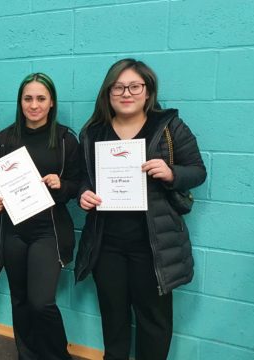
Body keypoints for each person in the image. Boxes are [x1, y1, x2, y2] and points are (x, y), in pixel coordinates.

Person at [74, 58, 207, 360]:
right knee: (114, 318)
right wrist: (84, 193)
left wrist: (172, 173)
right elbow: (84, 177)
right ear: (108, 93)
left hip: (153, 245)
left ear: (148, 91)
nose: (126, 93)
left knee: (154, 322)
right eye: (118, 87)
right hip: (106, 244)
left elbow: (198, 171)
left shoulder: (168, 126)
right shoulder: (94, 133)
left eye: (135, 86)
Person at [0, 73, 80, 360]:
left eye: (41, 98)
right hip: (13, 232)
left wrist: (61, 185)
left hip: (47, 231)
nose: (34, 105)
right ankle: (26, 355)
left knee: (41, 302)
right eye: (28, 98)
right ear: (21, 102)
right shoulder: (4, 139)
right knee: (21, 300)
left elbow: (79, 184)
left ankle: (56, 356)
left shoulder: (65, 140)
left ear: (51, 102)